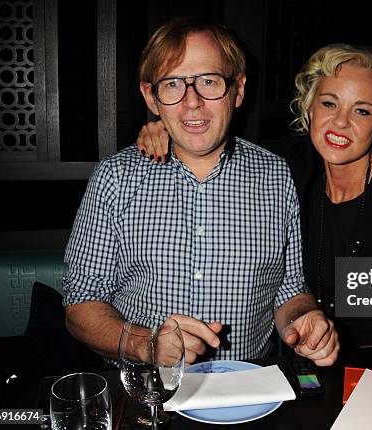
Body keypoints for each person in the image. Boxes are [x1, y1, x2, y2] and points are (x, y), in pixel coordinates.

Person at [137, 43, 372, 350]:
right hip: (309, 371)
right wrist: (167, 127)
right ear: (309, 108)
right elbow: (215, 143)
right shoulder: (290, 171)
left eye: (362, 111)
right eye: (329, 103)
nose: (340, 122)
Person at [63, 17, 339, 367]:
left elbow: (288, 289)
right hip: (145, 391)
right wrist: (145, 344)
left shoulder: (275, 174)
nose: (192, 102)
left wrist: (304, 321)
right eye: (173, 84)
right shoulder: (116, 177)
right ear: (152, 96)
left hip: (246, 389)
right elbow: (80, 303)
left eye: (209, 81)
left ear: (238, 90)